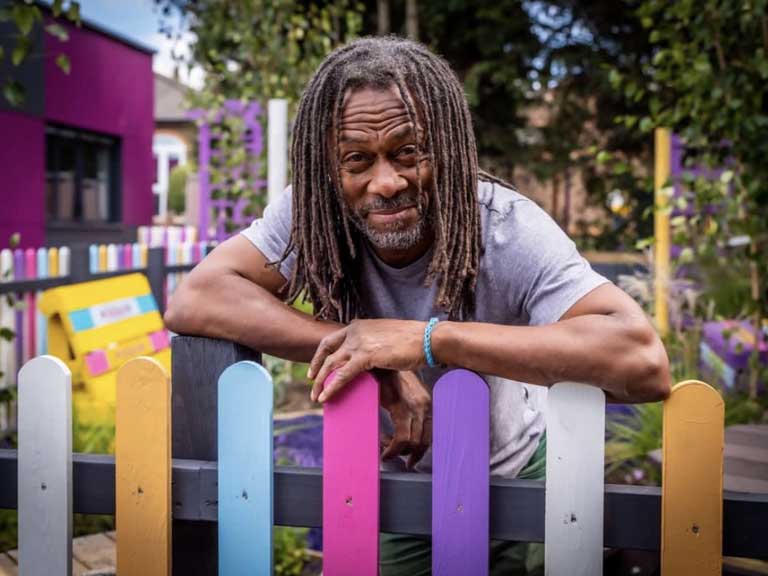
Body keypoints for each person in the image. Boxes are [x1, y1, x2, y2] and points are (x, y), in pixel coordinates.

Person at [165, 36, 671, 575]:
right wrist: (367, 350)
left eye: (409, 152)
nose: (386, 182)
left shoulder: (504, 226)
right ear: (329, 169)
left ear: (447, 149)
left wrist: (428, 339)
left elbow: (643, 363)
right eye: (357, 160)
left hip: (510, 474)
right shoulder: (313, 208)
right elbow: (198, 297)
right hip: (396, 482)